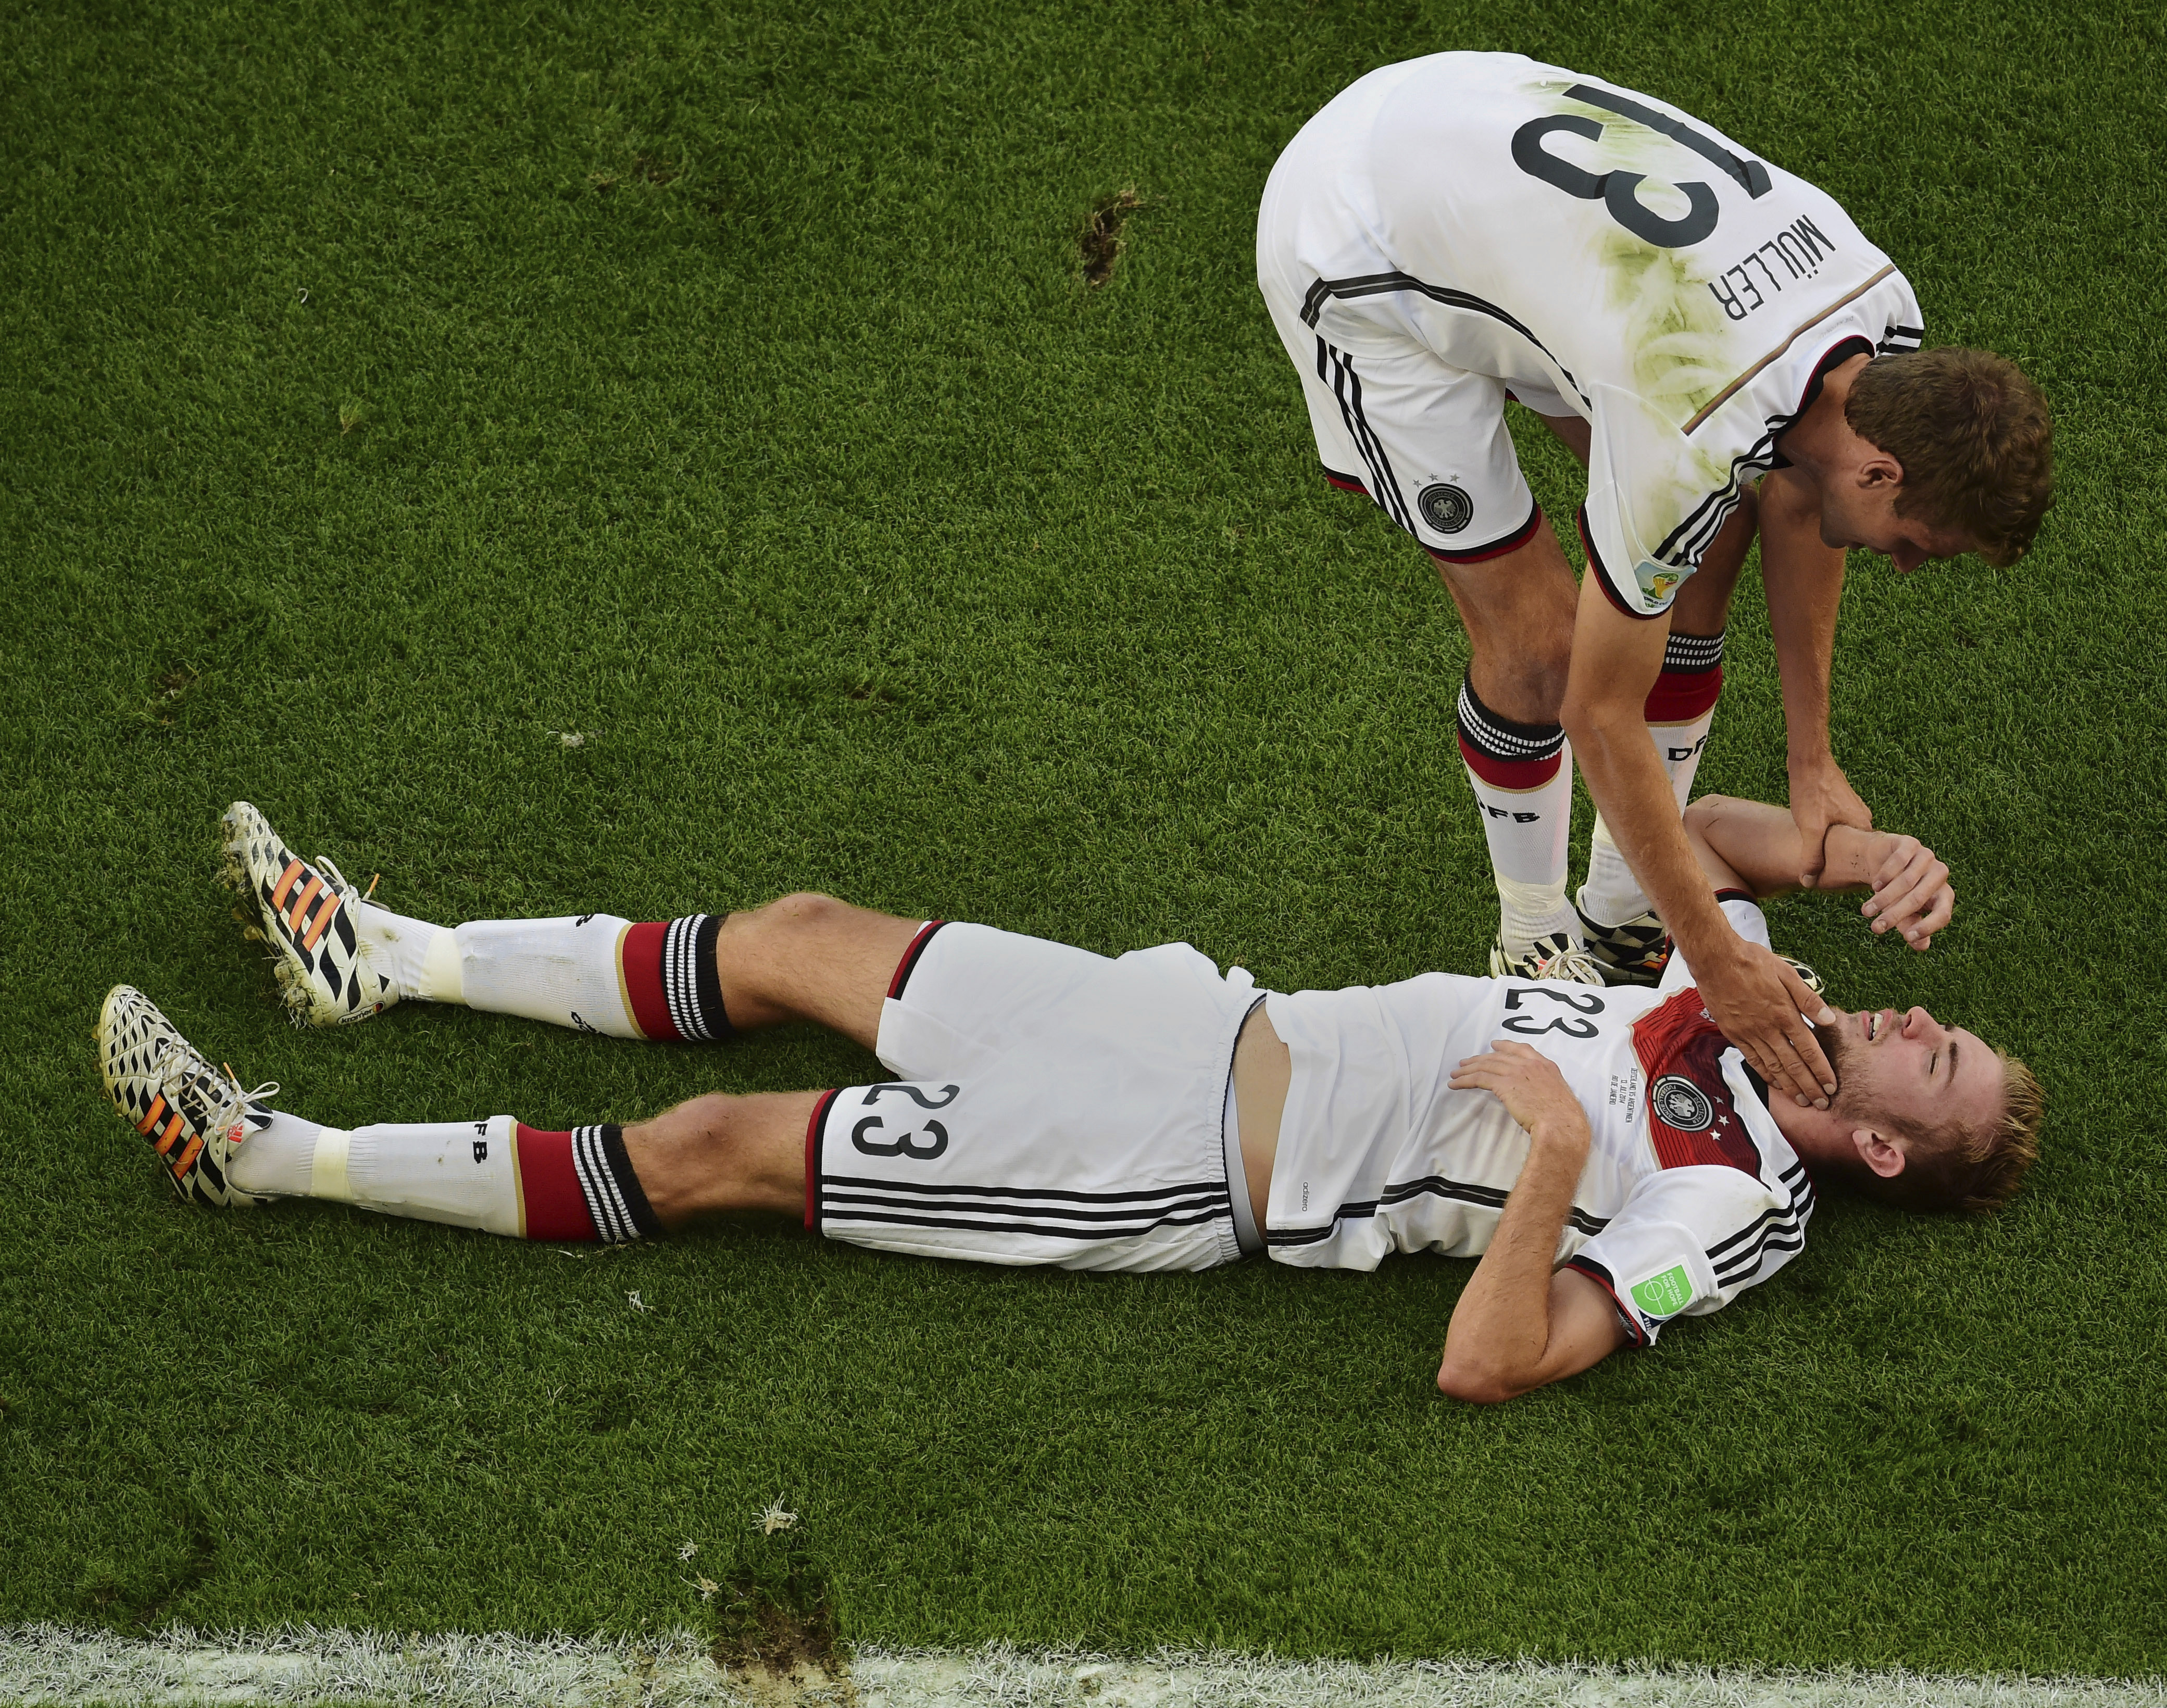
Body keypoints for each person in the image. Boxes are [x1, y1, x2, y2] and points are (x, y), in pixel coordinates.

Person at [97, 801, 2039, 1404]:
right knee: (791, 933)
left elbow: (1491, 1362)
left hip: (1154, 1163)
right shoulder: (1737, 992)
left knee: (720, 1154)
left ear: (1876, 1149)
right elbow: (1660, 828)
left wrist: (1544, 1153)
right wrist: (1812, 865)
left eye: (1923, 1059)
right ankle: (386, 955)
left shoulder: (1732, 1219)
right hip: (1176, 1018)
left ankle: (271, 1159)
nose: (1903, 1018)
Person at [1256, 51, 2054, 1116]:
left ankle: (1626, 911)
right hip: (1359, 238)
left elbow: (1792, 494)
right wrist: (1715, 956)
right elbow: (1598, 710)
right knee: (1543, 652)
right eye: (1917, 540)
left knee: (1700, 547)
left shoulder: (1884, 324)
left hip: (1472, 141)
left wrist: (1812, 762)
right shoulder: (1697, 417)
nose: (1905, 566)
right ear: (1883, 470)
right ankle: (1533, 940)